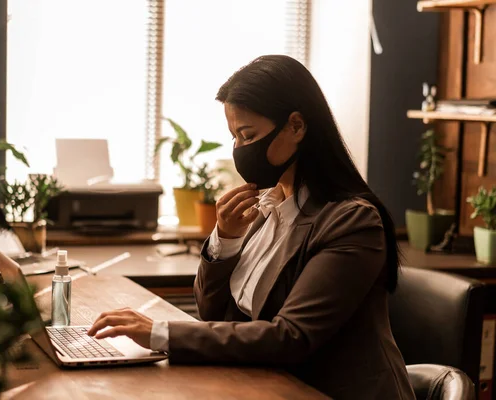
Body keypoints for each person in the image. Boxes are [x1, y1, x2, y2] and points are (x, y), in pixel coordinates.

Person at [88, 55, 415, 399]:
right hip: (264, 386)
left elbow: (292, 337)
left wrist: (159, 333)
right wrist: (225, 240)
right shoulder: (265, 207)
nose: (240, 150)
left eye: (247, 135)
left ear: (296, 126)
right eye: (235, 137)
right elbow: (214, 312)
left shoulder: (352, 221)